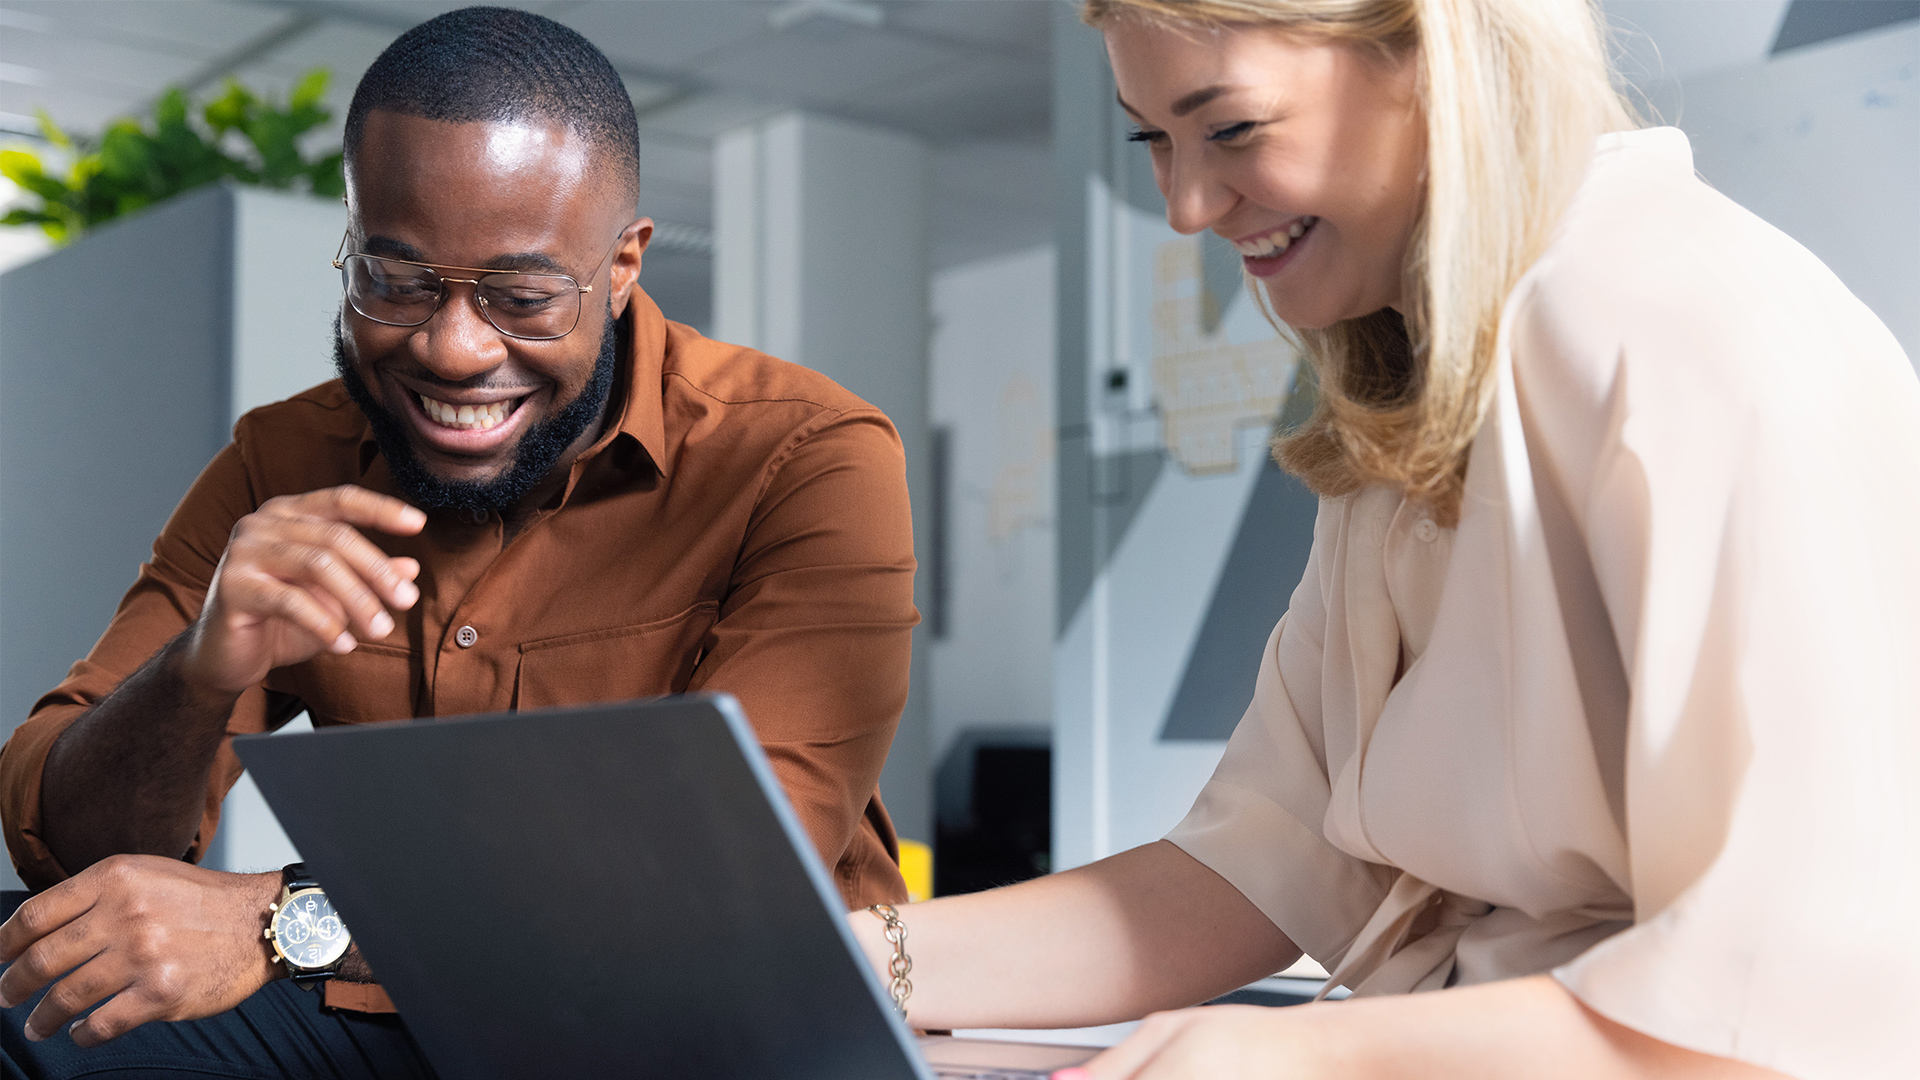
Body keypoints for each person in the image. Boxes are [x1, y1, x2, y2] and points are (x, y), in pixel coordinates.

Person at [847, 1, 1919, 1078]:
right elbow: (1264, 863)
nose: (1185, 205)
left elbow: (1803, 1009)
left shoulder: (1682, 330)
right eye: (1153, 139)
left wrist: (1303, 1060)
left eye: (1231, 130)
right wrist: (862, 961)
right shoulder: (1424, 387)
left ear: (1438, 54)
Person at [0, 7, 917, 1075]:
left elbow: (732, 892)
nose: (452, 349)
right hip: (406, 1016)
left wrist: (280, 924)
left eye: (525, 298)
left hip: (702, 1026)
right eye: (394, 282)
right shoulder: (283, 459)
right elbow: (78, 859)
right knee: (35, 986)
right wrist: (196, 673)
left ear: (622, 267)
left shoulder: (808, 457)